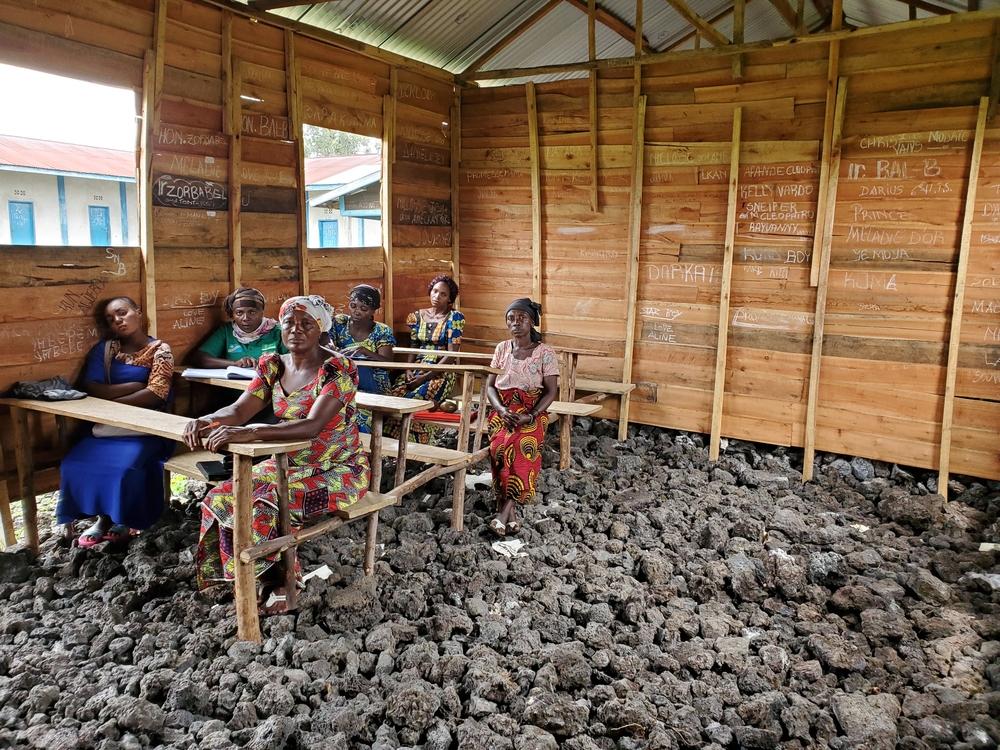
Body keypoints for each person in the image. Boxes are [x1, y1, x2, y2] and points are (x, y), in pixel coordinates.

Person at [184, 295, 370, 612]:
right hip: (287, 462)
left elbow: (311, 426)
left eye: (305, 324)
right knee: (222, 495)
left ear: (321, 330)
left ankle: (282, 580)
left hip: (339, 471)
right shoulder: (272, 365)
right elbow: (240, 409)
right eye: (289, 323)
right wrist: (208, 420)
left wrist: (250, 432)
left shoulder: (339, 370)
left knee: (267, 503)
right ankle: (237, 576)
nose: (295, 330)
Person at [57, 297, 174, 547]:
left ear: (138, 313)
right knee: (73, 463)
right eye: (110, 319)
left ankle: (125, 518)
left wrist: (113, 400)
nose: (117, 320)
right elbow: (90, 387)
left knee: (124, 469)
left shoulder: (160, 350)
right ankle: (102, 519)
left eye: (122, 313)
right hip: (106, 428)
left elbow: (155, 395)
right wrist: (132, 387)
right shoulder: (106, 349)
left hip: (146, 428)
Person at [484, 298, 558, 537]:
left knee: (520, 445)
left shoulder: (545, 353)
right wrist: (502, 410)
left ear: (532, 321)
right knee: (499, 448)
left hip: (532, 409)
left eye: (521, 318)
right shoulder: (501, 349)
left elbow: (551, 391)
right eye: (511, 318)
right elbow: (490, 386)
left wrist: (532, 415)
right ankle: (511, 516)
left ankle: (502, 514)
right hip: (503, 409)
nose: (515, 323)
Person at [329, 284, 396, 433]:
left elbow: (388, 364)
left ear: (374, 311)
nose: (356, 311)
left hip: (375, 389)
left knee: (358, 419)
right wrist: (334, 349)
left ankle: (364, 452)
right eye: (353, 306)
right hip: (343, 385)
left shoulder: (381, 331)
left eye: (363, 309)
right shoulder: (339, 323)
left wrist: (364, 351)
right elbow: (327, 343)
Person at [189, 286, 285, 369]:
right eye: (239, 313)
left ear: (262, 312)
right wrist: (235, 364)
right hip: (232, 389)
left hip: (269, 389)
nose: (245, 318)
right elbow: (200, 358)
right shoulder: (227, 331)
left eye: (252, 312)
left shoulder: (278, 332)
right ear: (233, 314)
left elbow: (294, 361)